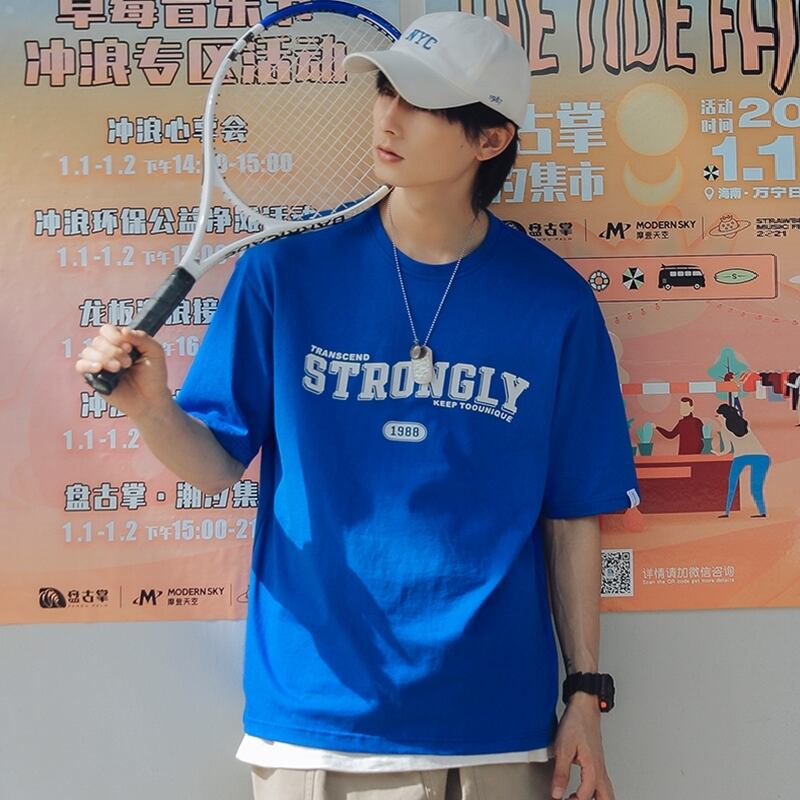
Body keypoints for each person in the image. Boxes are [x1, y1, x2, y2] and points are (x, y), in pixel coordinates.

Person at [75, 12, 639, 800]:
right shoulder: (283, 276)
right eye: (385, 90)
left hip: (493, 725)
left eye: (422, 102)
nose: (388, 117)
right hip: (317, 724)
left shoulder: (554, 302)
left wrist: (585, 693)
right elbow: (214, 467)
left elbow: (574, 513)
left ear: (490, 138)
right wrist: (150, 408)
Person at [712, 404, 770, 518]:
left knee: (732, 484)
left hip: (741, 456)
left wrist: (718, 454)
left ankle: (727, 512)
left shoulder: (724, 429)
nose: (717, 418)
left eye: (717, 416)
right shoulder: (743, 424)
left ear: (723, 416)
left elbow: (727, 449)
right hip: (761, 456)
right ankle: (762, 512)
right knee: (755, 487)